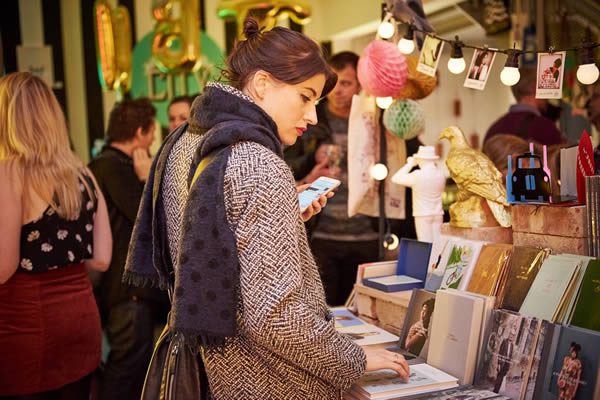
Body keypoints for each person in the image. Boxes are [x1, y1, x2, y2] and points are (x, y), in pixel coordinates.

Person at [124, 19, 410, 399]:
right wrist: (354, 358)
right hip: (269, 379)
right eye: (305, 97)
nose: (311, 116)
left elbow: (211, 239)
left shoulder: (187, 139)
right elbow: (276, 316)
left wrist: (283, 212)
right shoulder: (258, 161)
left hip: (217, 368)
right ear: (261, 84)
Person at [0, 72, 112, 398]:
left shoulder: (8, 172)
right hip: (81, 321)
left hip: (25, 328)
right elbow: (102, 258)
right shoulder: (81, 172)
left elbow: (4, 267)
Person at [87, 98, 169, 400]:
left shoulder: (100, 164)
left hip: (124, 292)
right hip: (128, 293)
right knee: (126, 377)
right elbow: (146, 219)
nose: (152, 140)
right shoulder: (114, 167)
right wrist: (147, 177)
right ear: (139, 132)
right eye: (151, 133)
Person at [285, 51, 381, 307]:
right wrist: (311, 159)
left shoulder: (372, 121)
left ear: (359, 85)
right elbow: (284, 166)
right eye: (334, 84)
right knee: (323, 308)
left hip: (366, 232)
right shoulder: (311, 121)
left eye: (346, 83)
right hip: (322, 232)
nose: (338, 91)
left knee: (365, 309)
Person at [484, 67, 565, 146]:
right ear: (534, 88)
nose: (547, 91)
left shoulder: (494, 129)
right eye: (543, 85)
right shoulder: (544, 127)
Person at [392, 146, 445, 242]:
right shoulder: (440, 174)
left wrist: (410, 164)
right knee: (437, 244)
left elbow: (396, 178)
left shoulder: (418, 175)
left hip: (422, 214)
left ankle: (427, 257)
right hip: (438, 213)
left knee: (425, 243)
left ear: (421, 160)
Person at [493, 325, 516, 393]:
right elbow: (500, 352)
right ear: (509, 335)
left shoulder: (512, 345)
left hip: (506, 364)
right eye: (510, 335)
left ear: (513, 337)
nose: (511, 336)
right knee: (499, 377)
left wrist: (509, 365)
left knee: (502, 378)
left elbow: (510, 355)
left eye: (512, 336)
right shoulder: (504, 341)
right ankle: (495, 391)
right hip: (502, 362)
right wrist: (499, 363)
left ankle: (496, 391)